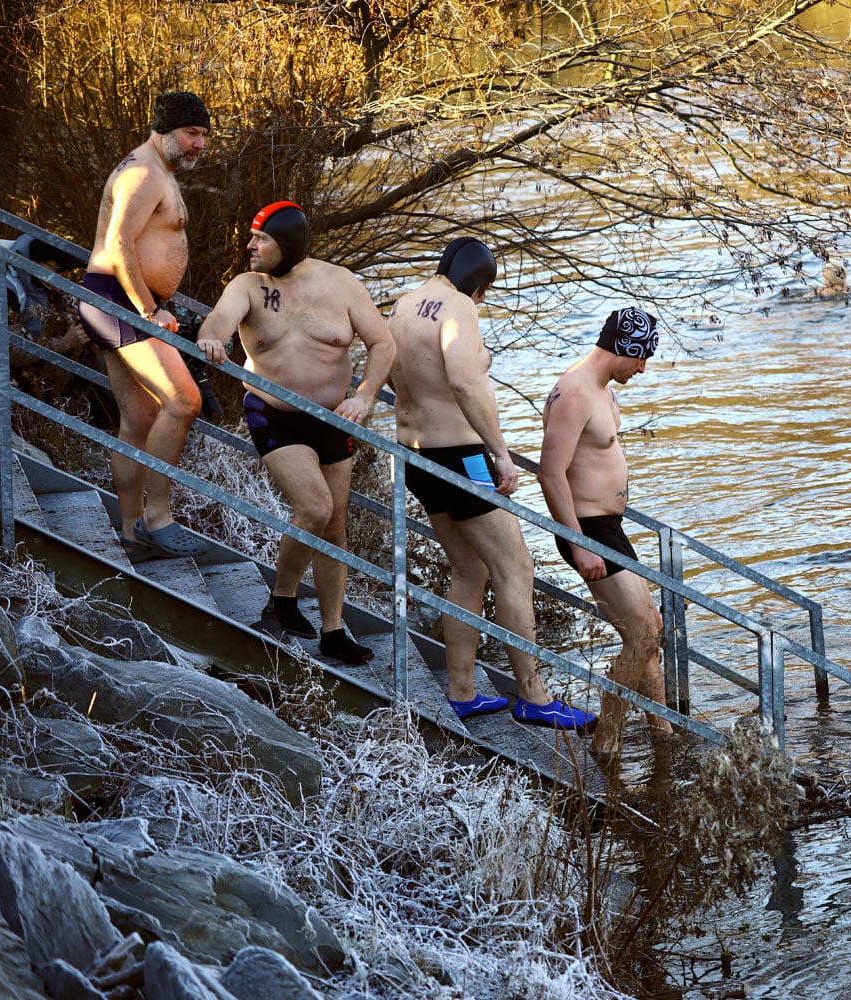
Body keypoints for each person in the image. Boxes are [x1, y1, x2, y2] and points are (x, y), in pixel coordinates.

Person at [388, 237, 593, 727]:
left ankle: (462, 691)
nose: (481, 301)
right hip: (461, 459)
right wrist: (500, 453)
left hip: (416, 456)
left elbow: (398, 376)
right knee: (515, 567)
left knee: (469, 571)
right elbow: (462, 380)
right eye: (484, 292)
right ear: (478, 283)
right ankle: (534, 696)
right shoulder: (459, 307)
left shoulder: (403, 304)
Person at [196, 201, 395, 665]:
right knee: (315, 507)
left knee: (336, 525)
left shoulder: (341, 283)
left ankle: (332, 629)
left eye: (260, 239)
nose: (249, 246)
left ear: (288, 245)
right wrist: (210, 338)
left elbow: (383, 342)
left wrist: (364, 396)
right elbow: (219, 321)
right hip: (273, 413)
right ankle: (282, 601)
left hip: (332, 418)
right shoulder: (248, 286)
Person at [78, 91, 211, 560]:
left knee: (140, 421)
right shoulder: (142, 172)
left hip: (118, 299)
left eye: (203, 136)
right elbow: (118, 242)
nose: (199, 145)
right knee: (183, 400)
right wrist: (147, 308)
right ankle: (159, 518)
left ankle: (133, 533)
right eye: (191, 134)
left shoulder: (156, 169)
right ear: (164, 130)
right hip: (119, 299)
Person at [539, 307, 672, 755]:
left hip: (607, 527)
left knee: (649, 629)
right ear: (623, 348)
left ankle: (663, 734)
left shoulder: (602, 392)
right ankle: (607, 739)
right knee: (642, 633)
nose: (642, 368)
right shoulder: (574, 393)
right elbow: (551, 474)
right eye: (640, 358)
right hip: (588, 531)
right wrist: (579, 545)